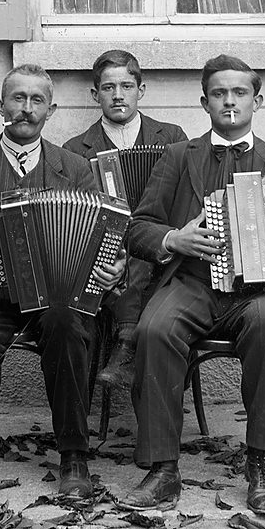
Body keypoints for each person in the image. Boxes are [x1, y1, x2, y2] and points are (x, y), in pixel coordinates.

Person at [117, 55, 265, 514]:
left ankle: (261, 461)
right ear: (204, 102)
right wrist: (173, 238)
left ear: (256, 101)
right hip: (192, 281)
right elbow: (138, 226)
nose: (229, 101)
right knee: (152, 330)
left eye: (239, 93)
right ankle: (163, 468)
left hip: (258, 291)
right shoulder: (178, 156)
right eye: (219, 93)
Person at [0, 63, 126, 498]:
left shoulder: (73, 166)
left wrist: (114, 267)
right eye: (18, 98)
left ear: (50, 110)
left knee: (70, 328)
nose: (26, 109)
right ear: (1, 105)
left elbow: (102, 233)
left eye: (37, 101)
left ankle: (73, 452)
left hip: (56, 289)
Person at [63, 50, 188, 388]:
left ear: (141, 90)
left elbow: (185, 202)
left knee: (142, 241)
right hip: (105, 257)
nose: (118, 95)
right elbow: (74, 219)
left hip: (164, 252)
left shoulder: (172, 139)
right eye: (108, 88)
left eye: (127, 86)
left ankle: (127, 343)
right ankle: (130, 347)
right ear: (95, 95)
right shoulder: (75, 149)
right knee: (126, 252)